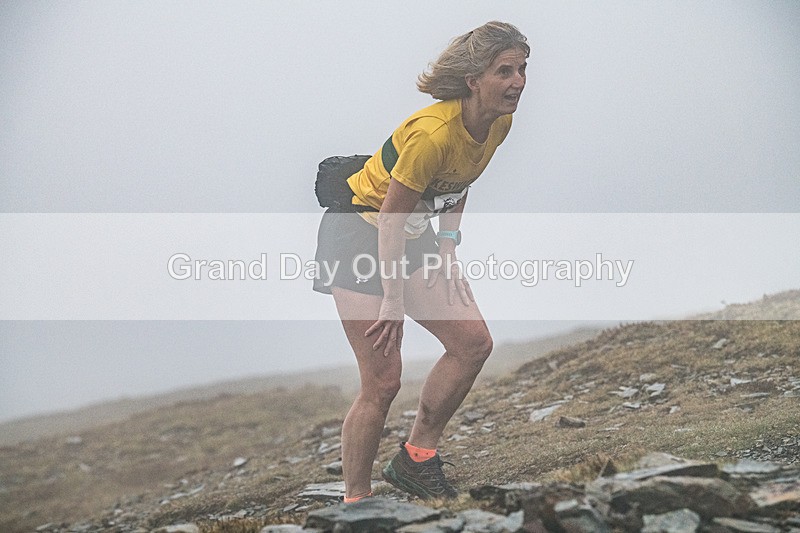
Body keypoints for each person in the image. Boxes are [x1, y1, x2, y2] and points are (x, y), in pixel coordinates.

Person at [313, 21, 528, 502]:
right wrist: (392, 300)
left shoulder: (499, 120)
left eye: (521, 69)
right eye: (504, 71)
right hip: (356, 235)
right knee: (383, 381)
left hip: (410, 232)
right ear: (474, 80)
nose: (517, 82)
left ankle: (416, 460)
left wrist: (447, 248)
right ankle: (356, 501)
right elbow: (389, 220)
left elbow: (459, 183)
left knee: (472, 343)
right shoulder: (431, 135)